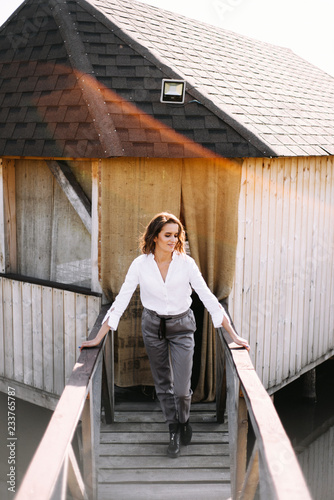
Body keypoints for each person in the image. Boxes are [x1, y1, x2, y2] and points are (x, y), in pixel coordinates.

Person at [80, 212, 249, 458]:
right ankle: (173, 429)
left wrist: (233, 335)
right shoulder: (140, 264)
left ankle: (184, 420)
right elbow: (121, 300)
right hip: (152, 326)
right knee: (163, 384)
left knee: (181, 388)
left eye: (176, 235)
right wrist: (98, 337)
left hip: (182, 327)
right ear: (155, 236)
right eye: (167, 235)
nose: (173, 240)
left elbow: (208, 298)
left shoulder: (186, 264)